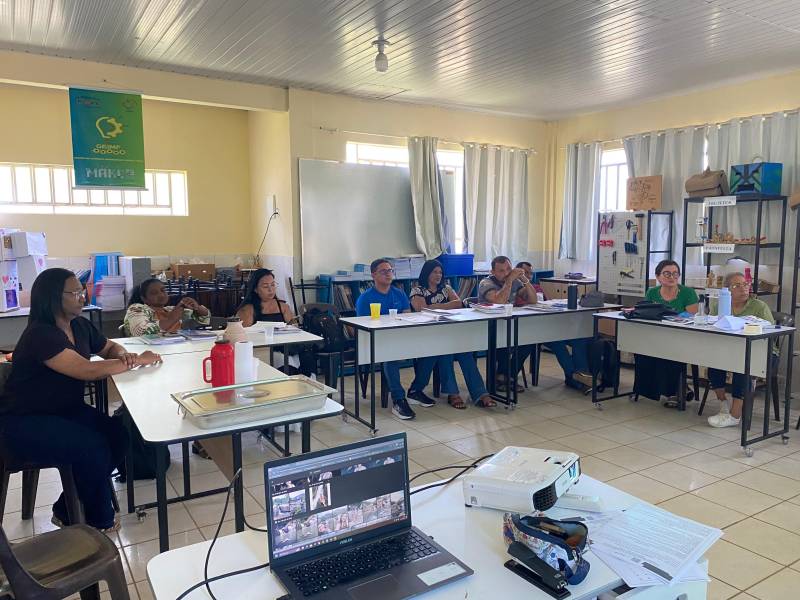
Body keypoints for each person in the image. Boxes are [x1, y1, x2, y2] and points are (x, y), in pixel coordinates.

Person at [0, 268, 161, 532]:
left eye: (81, 290)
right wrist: (137, 361)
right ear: (53, 297)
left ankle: (66, 509)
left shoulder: (79, 325)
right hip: (25, 420)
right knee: (92, 447)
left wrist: (124, 354)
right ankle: (99, 521)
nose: (82, 296)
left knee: (117, 436)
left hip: (65, 411)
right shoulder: (42, 334)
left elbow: (109, 347)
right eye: (74, 292)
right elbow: (86, 369)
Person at [409, 259, 495, 408]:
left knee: (465, 353)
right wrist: (446, 306)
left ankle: (480, 393)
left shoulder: (446, 288)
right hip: (428, 335)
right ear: (426, 273)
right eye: (435, 272)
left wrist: (435, 306)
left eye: (440, 272)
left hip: (449, 333)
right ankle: (452, 393)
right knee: (445, 352)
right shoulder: (417, 290)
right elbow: (421, 309)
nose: (438, 275)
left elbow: (458, 303)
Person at [707, 272, 775, 428]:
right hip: (731, 349)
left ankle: (735, 415)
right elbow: (713, 326)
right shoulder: (720, 305)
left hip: (762, 351)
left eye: (745, 284)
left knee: (743, 366)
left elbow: (771, 331)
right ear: (727, 290)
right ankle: (723, 405)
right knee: (713, 364)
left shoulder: (759, 306)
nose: (743, 288)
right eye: (737, 285)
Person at [355, 258, 418, 420]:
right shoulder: (365, 298)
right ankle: (398, 399)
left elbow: (407, 317)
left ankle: (417, 390)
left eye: (390, 270)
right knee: (390, 355)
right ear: (373, 275)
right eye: (383, 271)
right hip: (375, 341)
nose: (388, 274)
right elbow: (362, 326)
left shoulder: (399, 293)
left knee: (431, 350)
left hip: (399, 337)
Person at [515, 261, 593, 390]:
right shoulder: (515, 289)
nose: (528, 276)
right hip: (531, 329)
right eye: (525, 273)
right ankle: (574, 379)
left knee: (579, 338)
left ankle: (582, 375)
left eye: (530, 273)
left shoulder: (537, 287)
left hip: (548, 326)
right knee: (558, 343)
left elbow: (546, 303)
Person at [636, 260, 699, 406]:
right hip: (656, 334)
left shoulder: (688, 293)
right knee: (642, 351)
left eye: (675, 274)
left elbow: (692, 317)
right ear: (658, 276)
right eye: (667, 274)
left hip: (681, 336)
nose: (672, 277)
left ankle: (674, 391)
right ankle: (649, 390)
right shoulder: (652, 292)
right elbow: (646, 313)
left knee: (670, 352)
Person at [235, 268, 313, 376]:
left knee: (306, 355)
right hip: (262, 351)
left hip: (286, 348)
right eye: (265, 286)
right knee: (285, 362)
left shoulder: (283, 307)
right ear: (255, 289)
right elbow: (244, 339)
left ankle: (309, 379)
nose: (270, 290)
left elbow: (294, 330)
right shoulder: (247, 310)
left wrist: (294, 326)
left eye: (273, 285)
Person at [477, 256, 538, 391]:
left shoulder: (515, 282)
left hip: (508, 325)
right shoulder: (486, 283)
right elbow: (499, 301)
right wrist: (509, 280)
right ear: (493, 272)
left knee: (529, 341)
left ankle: (506, 376)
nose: (506, 273)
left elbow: (533, 300)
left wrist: (525, 280)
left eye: (509, 269)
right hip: (489, 328)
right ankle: (504, 378)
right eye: (501, 270)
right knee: (504, 343)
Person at [123, 278, 210, 336]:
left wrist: (197, 307)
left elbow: (204, 317)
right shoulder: (136, 309)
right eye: (154, 293)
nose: (161, 295)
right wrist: (171, 319)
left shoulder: (169, 310)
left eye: (163, 290)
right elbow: (142, 332)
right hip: (145, 351)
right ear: (144, 298)